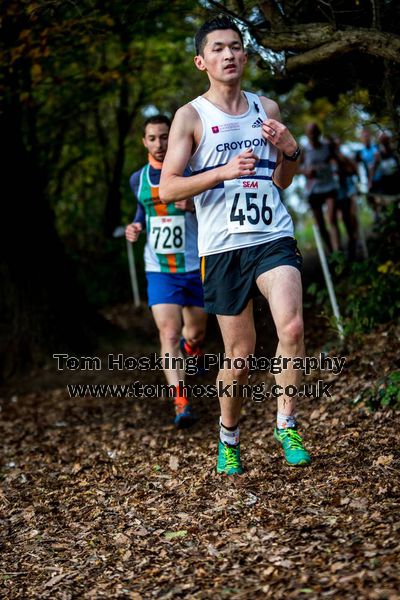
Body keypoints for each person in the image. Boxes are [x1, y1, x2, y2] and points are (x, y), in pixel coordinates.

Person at [159, 16, 311, 474]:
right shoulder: (191, 116)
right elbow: (167, 188)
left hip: (272, 236)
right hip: (223, 248)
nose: (230, 55)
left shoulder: (267, 108)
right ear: (202, 60)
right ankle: (229, 437)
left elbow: (282, 181)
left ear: (245, 56)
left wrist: (290, 149)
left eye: (236, 47)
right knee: (239, 355)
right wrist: (222, 172)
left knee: (292, 328)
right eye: (219, 48)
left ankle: (286, 424)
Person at [126, 114, 207, 428]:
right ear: (144, 142)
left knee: (195, 332)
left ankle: (193, 348)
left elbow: (215, 210)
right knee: (169, 333)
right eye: (152, 138)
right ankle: (181, 401)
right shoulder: (138, 179)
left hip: (194, 265)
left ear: (172, 137)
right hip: (159, 269)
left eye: (164, 137)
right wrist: (135, 227)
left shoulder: (190, 172)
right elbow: (142, 212)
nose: (159, 144)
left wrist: (196, 205)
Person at [300, 123, 339, 253]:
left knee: (332, 219)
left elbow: (338, 160)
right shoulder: (304, 150)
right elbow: (295, 168)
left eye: (315, 133)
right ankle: (332, 252)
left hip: (329, 187)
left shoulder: (327, 147)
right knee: (321, 225)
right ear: (307, 135)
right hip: (313, 190)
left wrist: (335, 167)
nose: (313, 136)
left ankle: (338, 251)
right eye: (310, 134)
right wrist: (306, 172)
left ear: (319, 133)